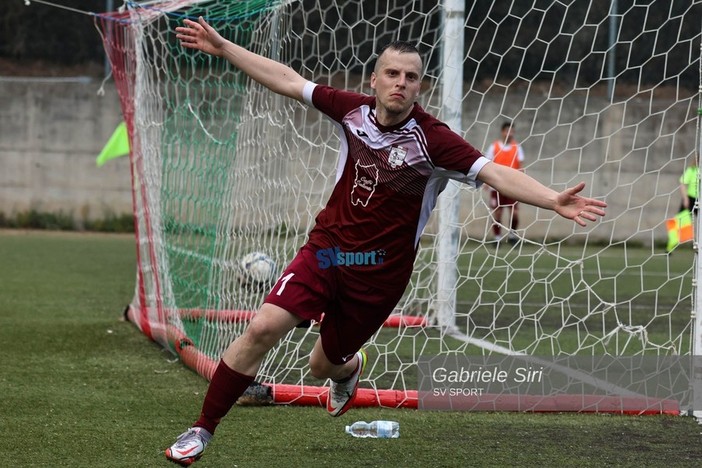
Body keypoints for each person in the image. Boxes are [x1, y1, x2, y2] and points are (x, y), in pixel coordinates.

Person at [166, 17, 607, 466]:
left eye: (411, 77)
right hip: (326, 250)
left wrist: (553, 200)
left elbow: (494, 173)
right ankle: (202, 429)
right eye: (392, 74)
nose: (400, 83)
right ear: (374, 80)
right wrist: (225, 49)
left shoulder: (435, 141)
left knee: (323, 366)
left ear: (420, 87)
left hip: (378, 277)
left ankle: (350, 369)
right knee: (262, 328)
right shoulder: (350, 110)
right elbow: (289, 79)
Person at [484, 121, 525, 244]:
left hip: (513, 186)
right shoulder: (494, 146)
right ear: (503, 132)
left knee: (515, 213)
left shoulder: (517, 147)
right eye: (507, 131)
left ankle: (512, 234)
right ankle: (497, 238)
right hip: (496, 185)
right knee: (497, 212)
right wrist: (486, 181)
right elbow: (487, 164)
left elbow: (521, 166)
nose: (510, 133)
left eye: (512, 131)